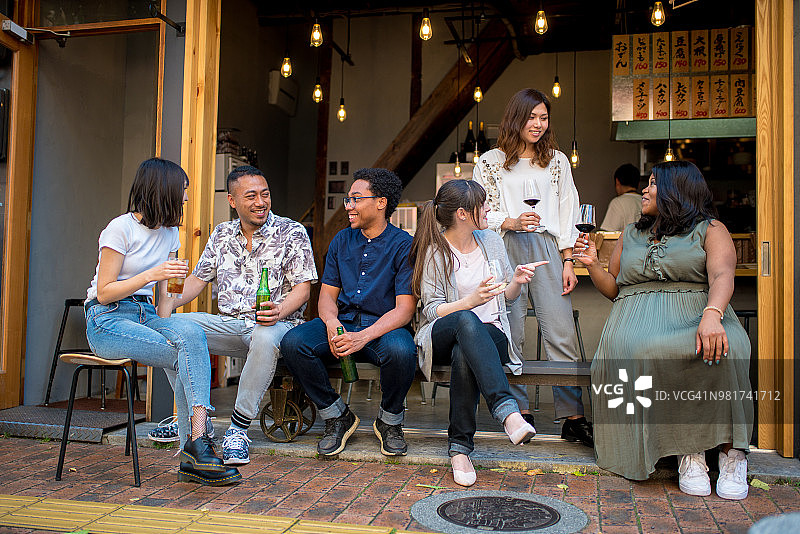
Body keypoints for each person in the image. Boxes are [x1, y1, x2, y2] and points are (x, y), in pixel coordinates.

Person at [574, 160, 752, 499]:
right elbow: (613, 288)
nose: (644, 189)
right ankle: (691, 452)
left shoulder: (711, 229)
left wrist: (712, 315)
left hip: (698, 313)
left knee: (730, 348)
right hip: (635, 322)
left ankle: (733, 453)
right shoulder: (632, 233)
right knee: (647, 351)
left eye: (653, 183)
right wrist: (594, 265)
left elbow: (722, 276)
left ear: (677, 190)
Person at [84, 158, 240, 486]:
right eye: (182, 191)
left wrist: (172, 298)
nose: (186, 198)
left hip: (148, 314)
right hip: (107, 319)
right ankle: (197, 447)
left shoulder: (170, 234)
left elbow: (167, 299)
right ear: (164, 191)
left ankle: (195, 445)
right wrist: (153, 274)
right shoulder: (120, 228)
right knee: (185, 356)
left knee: (191, 333)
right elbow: (104, 293)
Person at [158, 165, 317, 464]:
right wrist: (167, 306)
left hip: (278, 325)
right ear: (232, 201)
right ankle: (196, 421)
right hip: (230, 324)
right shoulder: (222, 234)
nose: (261, 202)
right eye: (251, 196)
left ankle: (238, 430)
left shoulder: (291, 231)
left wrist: (278, 310)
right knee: (172, 328)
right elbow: (197, 280)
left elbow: (303, 289)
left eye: (265, 194)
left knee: (265, 333)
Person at [472, 88, 592, 447]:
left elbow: (569, 210)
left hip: (548, 245)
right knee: (511, 332)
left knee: (560, 332)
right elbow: (478, 212)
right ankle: (518, 412)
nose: (538, 124)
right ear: (516, 118)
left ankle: (573, 416)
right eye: (531, 117)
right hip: (503, 245)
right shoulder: (490, 162)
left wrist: (568, 260)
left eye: (544, 118)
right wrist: (509, 220)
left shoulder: (556, 161)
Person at [410, 179, 541, 487]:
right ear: (462, 214)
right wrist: (469, 302)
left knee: (464, 352)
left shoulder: (492, 241)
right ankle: (507, 413)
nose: (488, 210)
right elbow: (431, 311)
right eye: (483, 205)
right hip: (443, 332)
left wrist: (518, 282)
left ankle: (459, 449)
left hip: (491, 334)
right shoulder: (435, 251)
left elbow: (505, 295)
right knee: (466, 321)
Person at [280, 168, 417, 457]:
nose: (349, 206)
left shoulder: (403, 244)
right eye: (347, 199)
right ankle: (336, 415)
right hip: (342, 322)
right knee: (294, 342)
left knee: (403, 352)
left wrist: (362, 338)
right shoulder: (341, 240)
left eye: (356, 199)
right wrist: (330, 323)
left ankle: (390, 421)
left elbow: (405, 309)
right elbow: (327, 297)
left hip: (383, 328)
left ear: (380, 203)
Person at [599, 163, 642, 231]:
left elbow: (608, 233)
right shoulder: (646, 201)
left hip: (625, 241)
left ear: (617, 181)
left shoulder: (617, 202)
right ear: (638, 183)